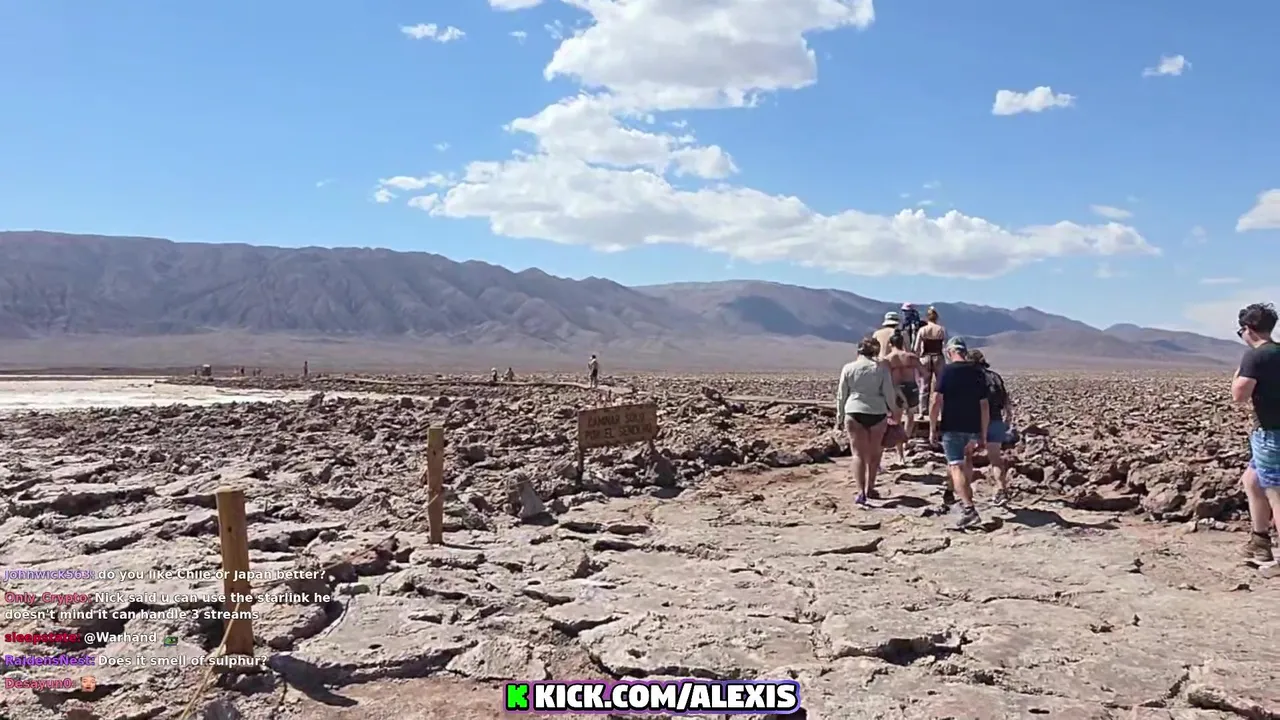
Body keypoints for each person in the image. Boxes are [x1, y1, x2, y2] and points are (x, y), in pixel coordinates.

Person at [1231, 302, 1280, 578]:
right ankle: (1260, 542)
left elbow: (1239, 396)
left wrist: (1240, 371)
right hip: (1271, 433)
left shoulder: (1256, 356)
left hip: (1271, 434)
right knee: (1251, 480)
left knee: (1276, 494)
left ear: (1248, 329)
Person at [928, 336, 987, 529]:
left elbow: (936, 400)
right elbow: (984, 405)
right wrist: (983, 432)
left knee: (955, 466)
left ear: (950, 352)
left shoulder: (946, 371)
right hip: (972, 426)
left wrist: (932, 426)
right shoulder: (977, 372)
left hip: (952, 426)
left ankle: (969, 509)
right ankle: (965, 497)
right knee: (967, 461)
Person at [837, 336, 901, 506]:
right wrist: (894, 411)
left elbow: (842, 395)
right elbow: (888, 392)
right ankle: (870, 487)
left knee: (857, 454)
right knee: (875, 453)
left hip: (854, 411)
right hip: (877, 412)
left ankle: (860, 492)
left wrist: (839, 416)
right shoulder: (881, 370)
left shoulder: (848, 368)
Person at [969, 350, 1014, 507]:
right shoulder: (995, 377)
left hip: (975, 422)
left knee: (966, 457)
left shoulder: (971, 378)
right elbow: (1006, 398)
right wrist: (1008, 415)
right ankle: (1001, 489)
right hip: (996, 420)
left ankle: (964, 495)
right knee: (995, 459)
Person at [885, 330, 923, 461]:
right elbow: (924, 372)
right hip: (911, 387)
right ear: (902, 343)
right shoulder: (911, 357)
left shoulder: (887, 360)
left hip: (895, 389)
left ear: (890, 344)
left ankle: (900, 453)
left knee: (896, 420)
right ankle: (905, 440)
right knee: (910, 416)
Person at [915, 307, 947, 413]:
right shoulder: (941, 329)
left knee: (924, 384)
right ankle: (942, 409)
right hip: (938, 357)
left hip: (925, 357)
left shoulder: (922, 330)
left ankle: (922, 410)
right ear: (936, 317)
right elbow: (945, 345)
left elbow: (916, 347)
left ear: (927, 317)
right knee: (940, 384)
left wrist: (917, 359)